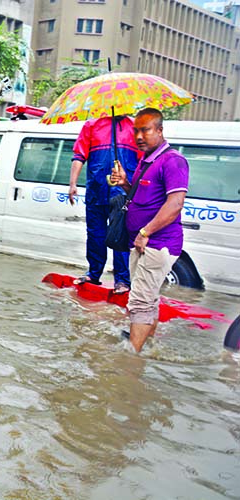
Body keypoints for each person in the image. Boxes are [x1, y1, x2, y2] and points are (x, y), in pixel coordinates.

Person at [110, 108, 189, 352]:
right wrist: (125, 183)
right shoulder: (148, 160)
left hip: (157, 243)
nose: (139, 136)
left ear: (160, 130)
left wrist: (145, 233)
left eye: (145, 130)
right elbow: (144, 196)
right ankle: (147, 344)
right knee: (149, 297)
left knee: (140, 301)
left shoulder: (173, 160)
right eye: (136, 131)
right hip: (141, 242)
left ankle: (130, 358)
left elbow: (175, 204)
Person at [69, 115, 140, 294]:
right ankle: (94, 273)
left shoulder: (135, 126)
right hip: (96, 189)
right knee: (95, 235)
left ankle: (122, 280)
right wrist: (72, 184)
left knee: (120, 236)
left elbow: (143, 161)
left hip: (122, 191)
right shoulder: (92, 125)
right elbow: (79, 155)